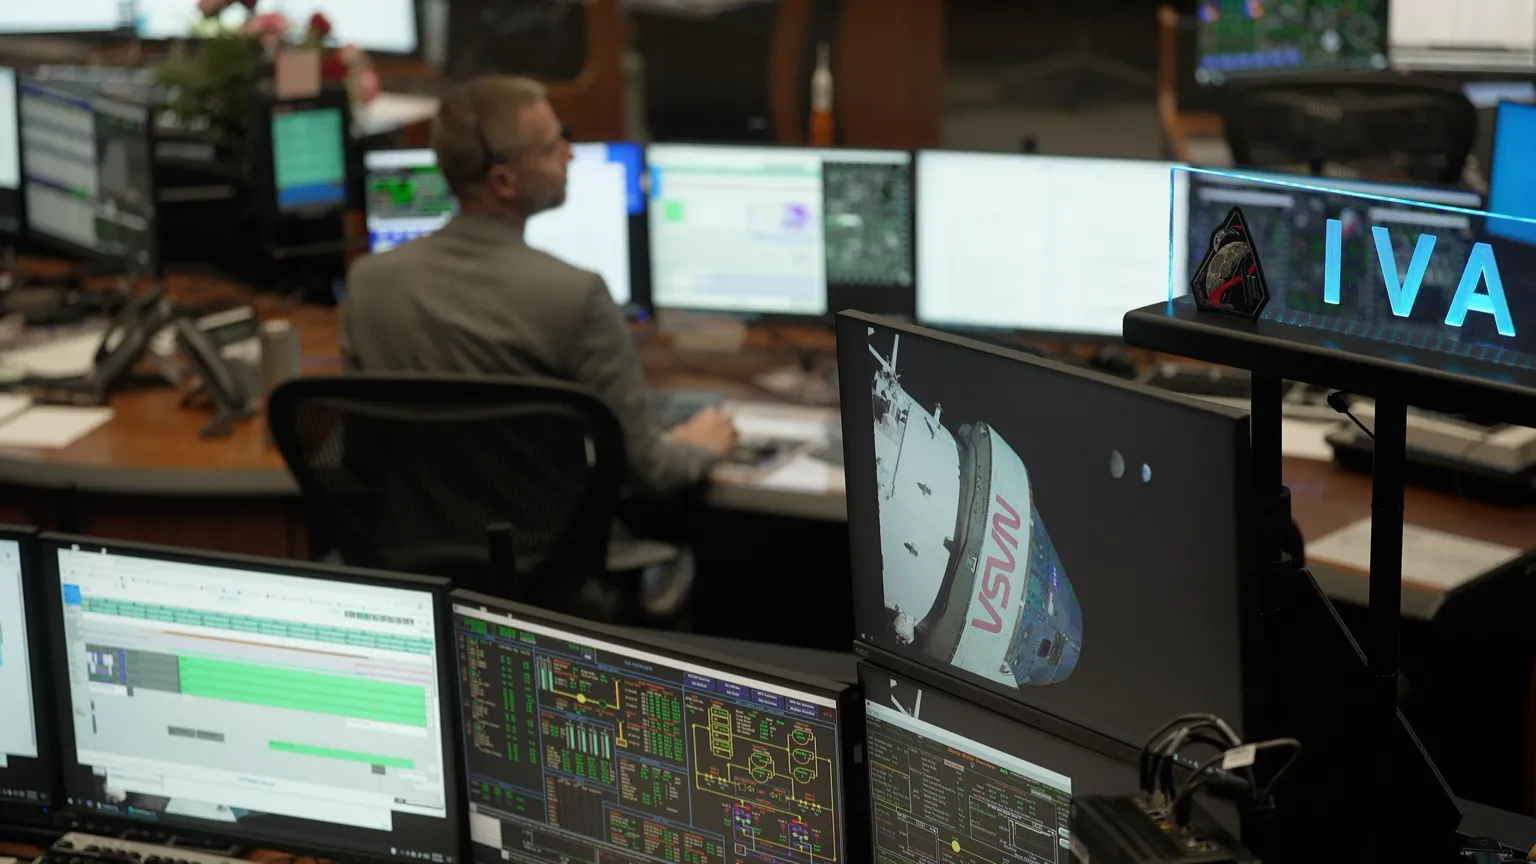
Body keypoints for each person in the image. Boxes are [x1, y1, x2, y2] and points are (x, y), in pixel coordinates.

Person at [341, 75, 736, 610]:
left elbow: (360, 458)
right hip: (554, 595)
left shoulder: (367, 285)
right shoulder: (576, 296)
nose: (572, 154)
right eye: (553, 146)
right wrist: (700, 444)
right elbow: (651, 473)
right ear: (503, 181)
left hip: (419, 584)